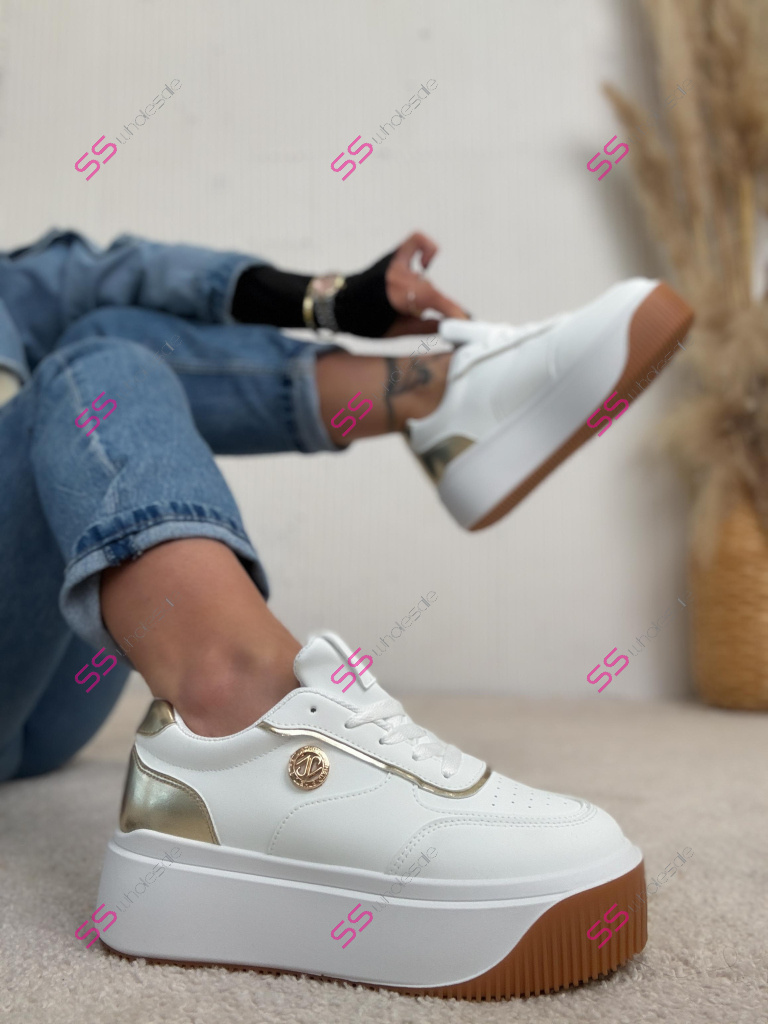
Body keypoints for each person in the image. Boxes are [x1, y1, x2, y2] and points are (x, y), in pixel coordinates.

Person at [0, 226, 692, 999]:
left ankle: (441, 394)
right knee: (92, 368)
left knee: (109, 332)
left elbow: (86, 279)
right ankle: (235, 694)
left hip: (44, 696)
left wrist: (326, 299)